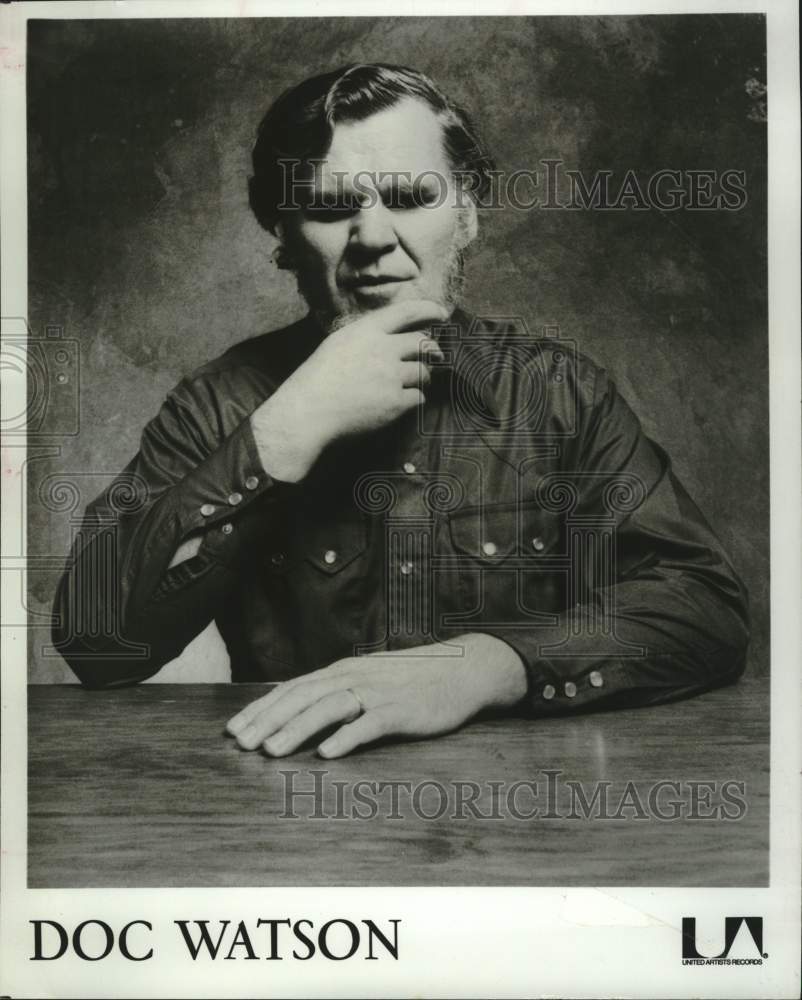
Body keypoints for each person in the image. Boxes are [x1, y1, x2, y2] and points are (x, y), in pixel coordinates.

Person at [52, 63, 749, 760]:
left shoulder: (559, 392)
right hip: (300, 817)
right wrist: (283, 433)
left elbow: (705, 605)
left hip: (525, 816)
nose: (373, 239)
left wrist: (487, 664)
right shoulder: (220, 402)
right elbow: (98, 645)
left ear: (468, 214)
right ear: (282, 233)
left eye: (412, 196)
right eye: (329, 208)